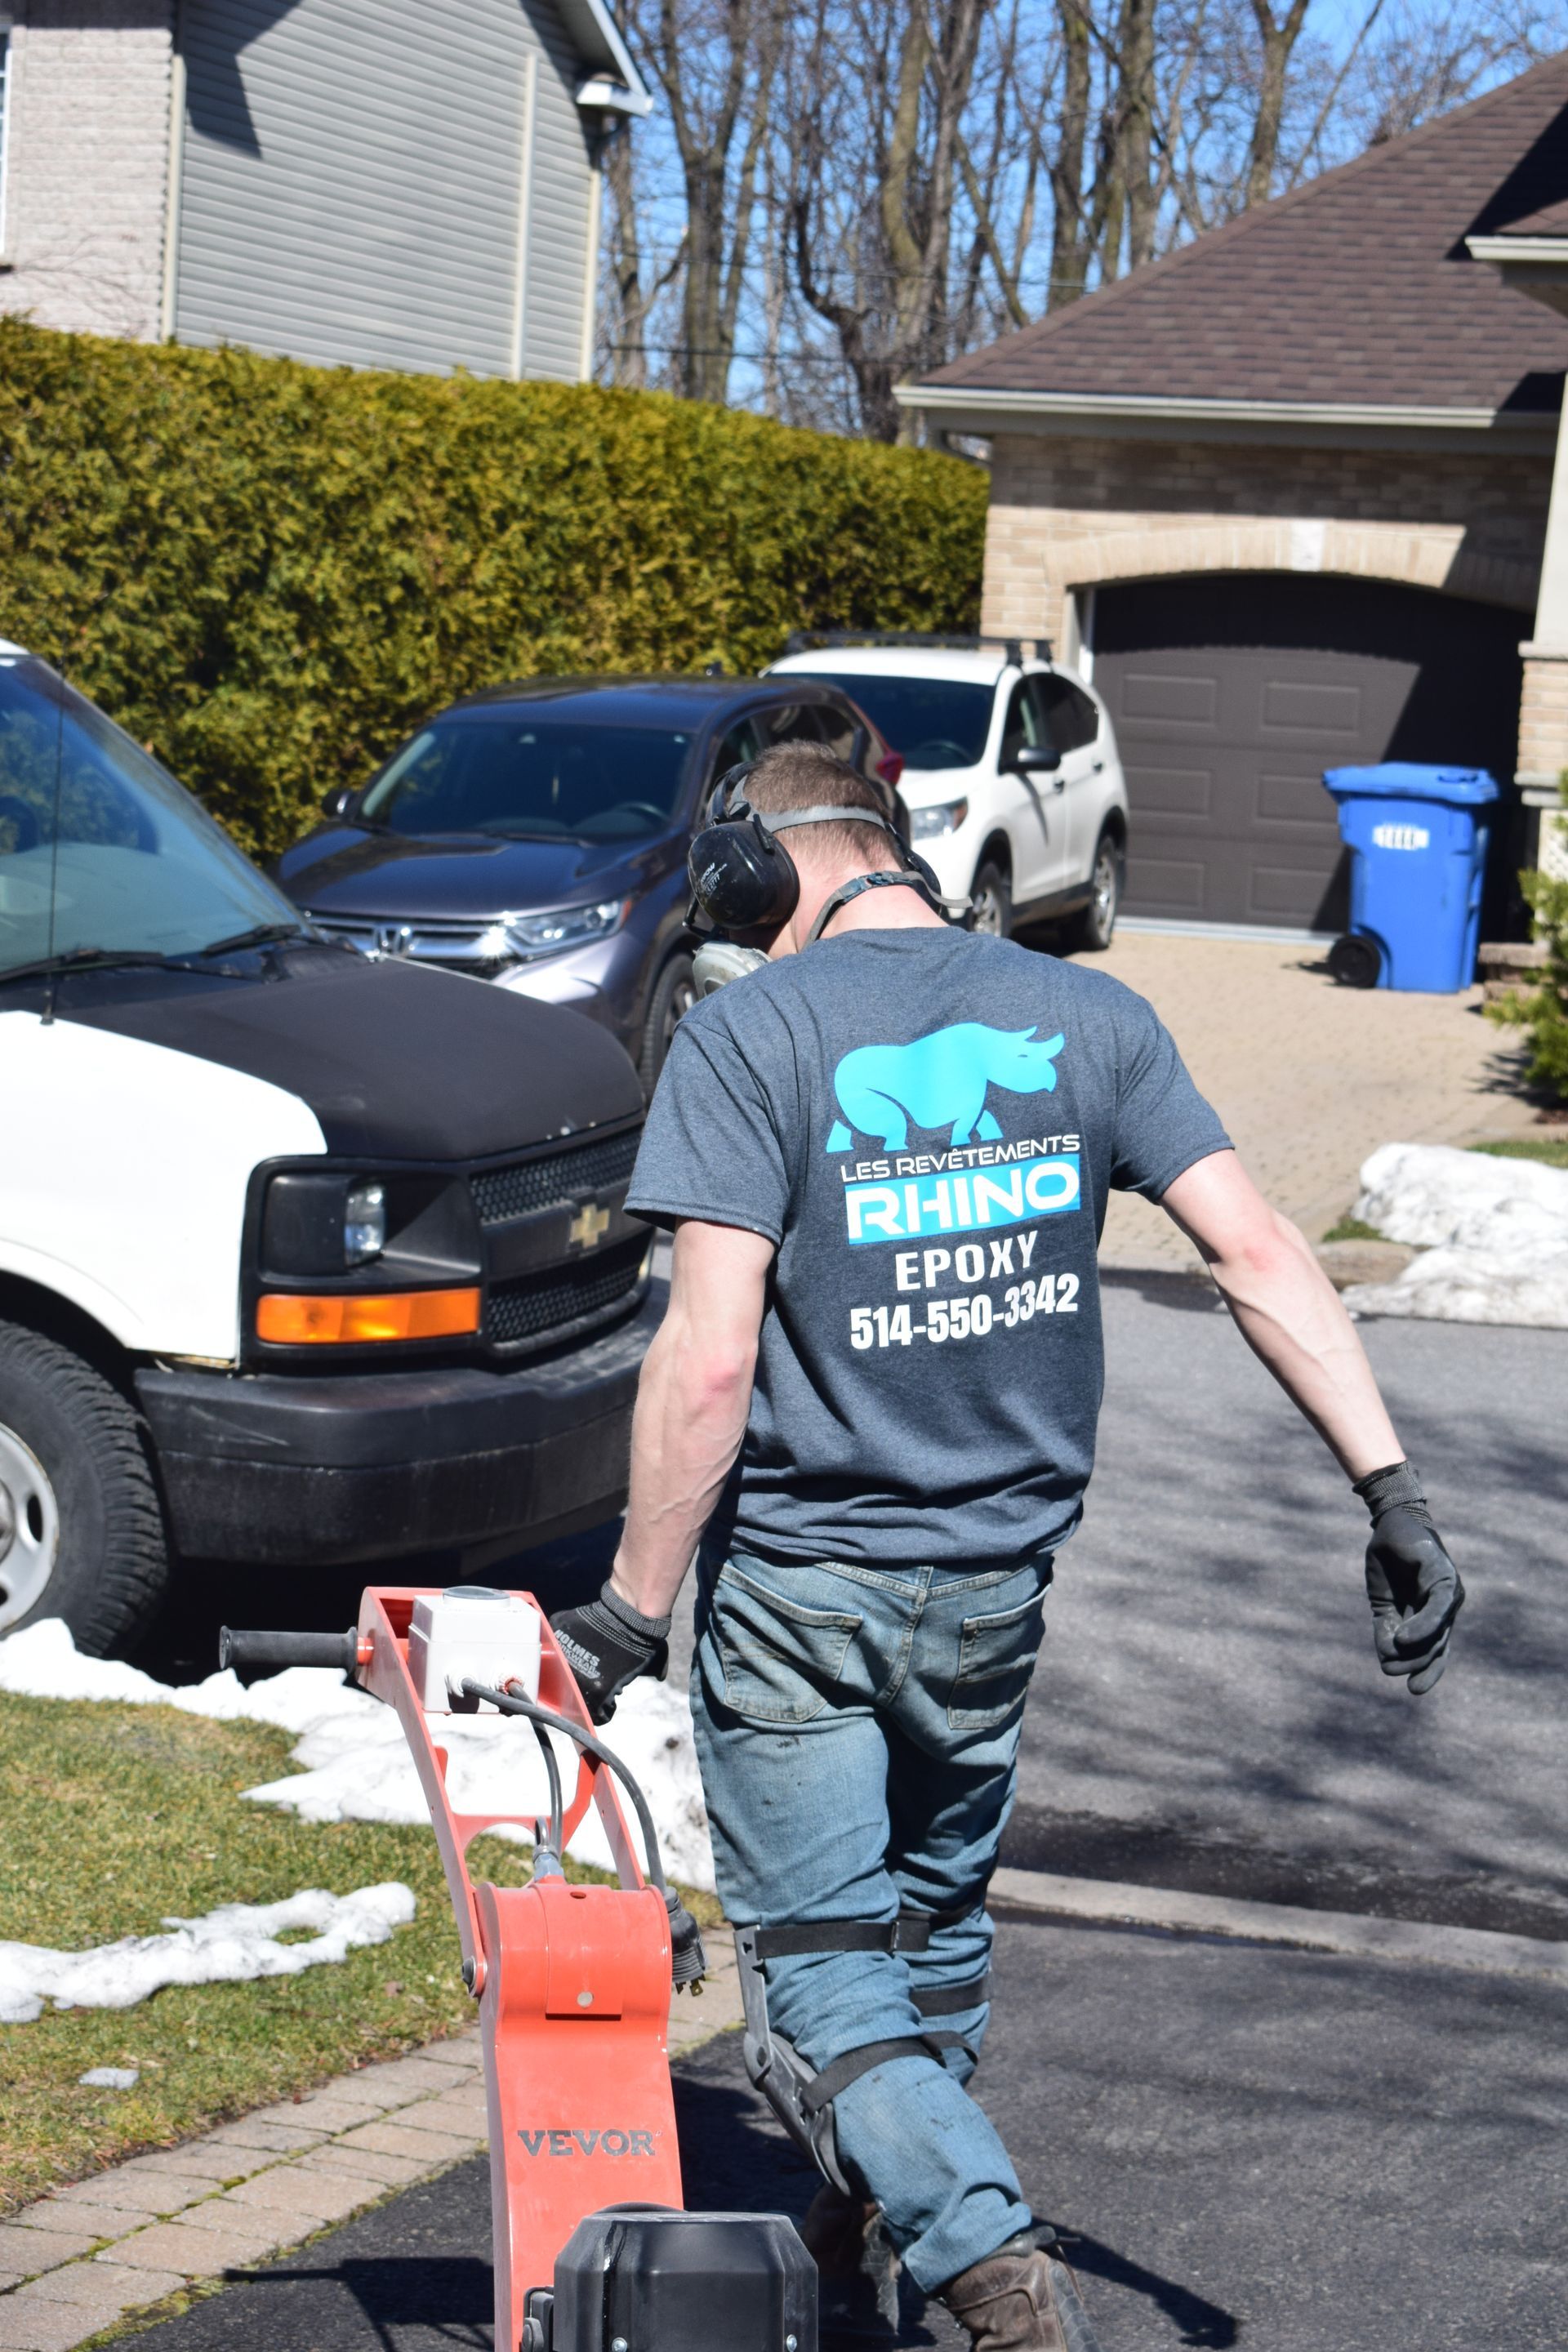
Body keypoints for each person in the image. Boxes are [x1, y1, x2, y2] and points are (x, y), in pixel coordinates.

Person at [550, 741, 1463, 2352]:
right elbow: (1257, 1250)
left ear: (757, 875)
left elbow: (704, 1360)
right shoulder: (1092, 1020)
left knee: (828, 1978)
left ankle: (996, 2279)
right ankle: (867, 2213)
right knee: (932, 1932)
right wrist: (1391, 1491)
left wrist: (629, 1611)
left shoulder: (753, 1033)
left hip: (804, 1598)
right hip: (993, 1596)